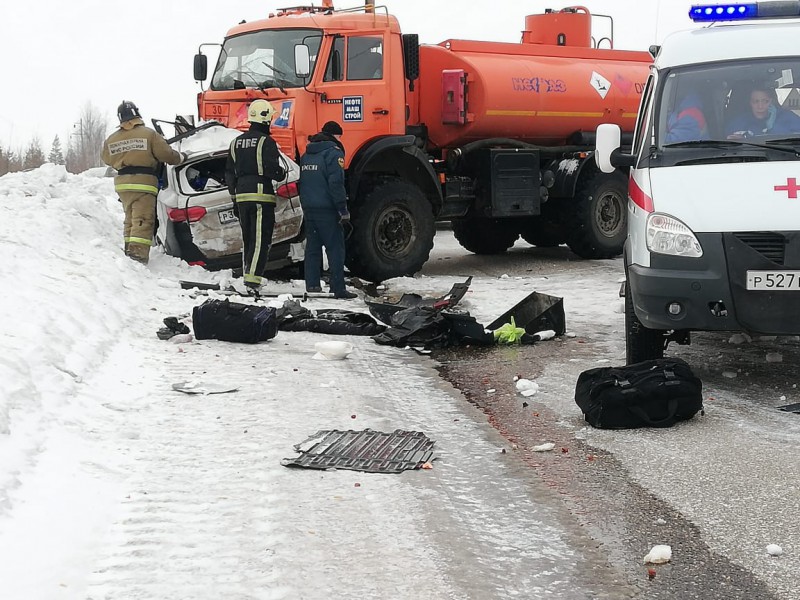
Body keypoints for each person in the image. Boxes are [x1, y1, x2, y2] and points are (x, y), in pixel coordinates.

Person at [101, 101, 185, 264]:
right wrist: (181, 158)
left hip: (122, 185)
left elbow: (106, 158)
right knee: (142, 219)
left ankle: (128, 251)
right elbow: (166, 155)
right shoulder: (148, 134)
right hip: (143, 183)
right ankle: (137, 256)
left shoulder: (111, 139)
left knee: (130, 218)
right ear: (136, 114)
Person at [224, 99, 287, 295]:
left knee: (248, 238)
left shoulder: (235, 143)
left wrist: (234, 197)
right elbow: (272, 170)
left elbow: (229, 173)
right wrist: (281, 174)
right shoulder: (266, 142)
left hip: (242, 195)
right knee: (261, 238)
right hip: (261, 195)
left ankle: (248, 274)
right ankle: (252, 280)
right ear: (266, 118)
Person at [298, 121, 358, 299]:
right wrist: (342, 209)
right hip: (327, 208)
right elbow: (336, 183)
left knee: (313, 247)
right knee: (335, 248)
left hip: (309, 207)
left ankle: (313, 284)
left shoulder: (306, 154)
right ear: (335, 135)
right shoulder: (333, 153)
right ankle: (338, 288)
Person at [726, 85, 800, 138]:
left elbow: (793, 142)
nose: (760, 106)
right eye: (755, 101)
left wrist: (773, 127)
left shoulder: (789, 118)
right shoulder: (739, 122)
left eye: (765, 101)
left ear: (771, 102)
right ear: (750, 103)